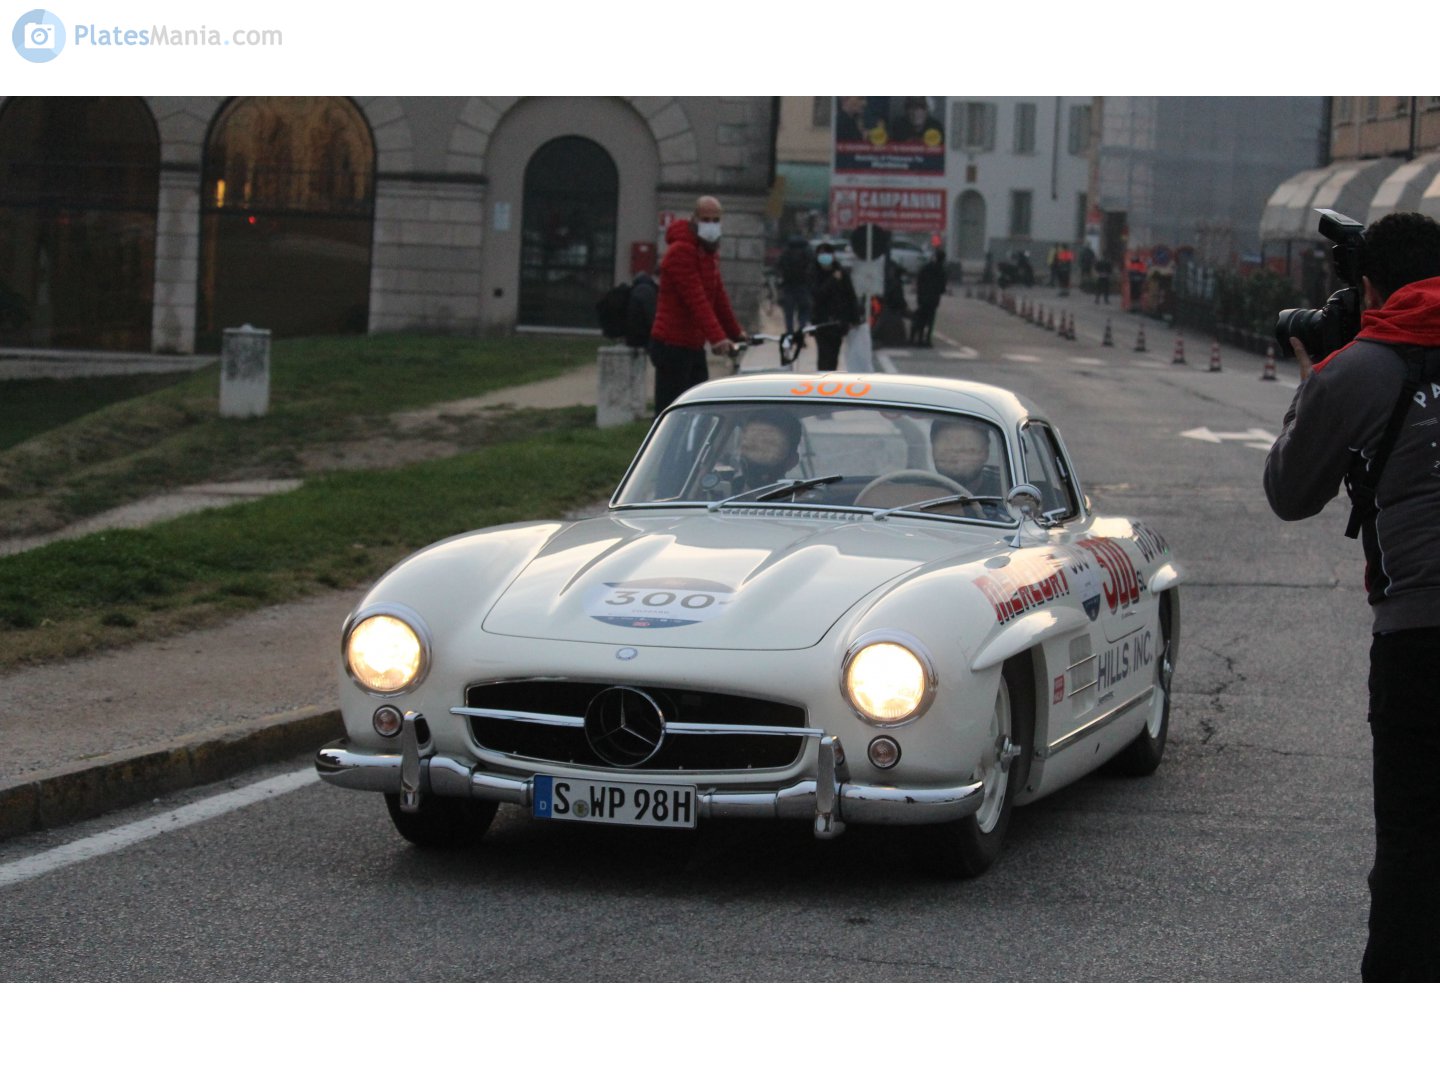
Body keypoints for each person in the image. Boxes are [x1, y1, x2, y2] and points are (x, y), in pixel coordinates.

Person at [1262, 210, 1440, 982]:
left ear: (1369, 288)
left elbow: (1291, 492)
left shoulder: (1357, 369)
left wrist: (1319, 377)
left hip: (1420, 643)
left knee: (1411, 849)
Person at [648, 195, 745, 416]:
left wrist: (736, 332)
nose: (711, 225)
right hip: (671, 344)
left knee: (697, 407)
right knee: (671, 413)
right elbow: (697, 300)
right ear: (694, 219)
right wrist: (718, 338)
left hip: (692, 344)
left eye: (715, 220)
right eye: (706, 219)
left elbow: (718, 297)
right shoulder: (681, 251)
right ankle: (665, 451)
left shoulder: (708, 253)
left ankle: (690, 450)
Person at [809, 242, 860, 372]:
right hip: (821, 321)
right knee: (823, 355)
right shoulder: (814, 273)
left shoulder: (842, 273)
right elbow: (817, 294)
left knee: (833, 355)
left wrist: (854, 319)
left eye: (827, 253)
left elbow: (850, 296)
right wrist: (832, 280)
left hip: (838, 322)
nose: (824, 257)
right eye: (821, 254)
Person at [731, 409, 803, 491]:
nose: (759, 454)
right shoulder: (723, 493)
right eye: (752, 444)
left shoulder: (799, 501)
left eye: (769, 446)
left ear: (792, 461)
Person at [931, 418, 1002, 496]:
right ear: (933, 451)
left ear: (985, 453)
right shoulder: (918, 490)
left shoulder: (1006, 489)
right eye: (947, 443)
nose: (955, 454)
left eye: (966, 446)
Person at [775, 236, 814, 334]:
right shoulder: (808, 253)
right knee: (804, 310)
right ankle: (801, 329)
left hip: (788, 287)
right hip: (803, 286)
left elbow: (778, 268)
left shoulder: (786, 254)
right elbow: (813, 270)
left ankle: (790, 332)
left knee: (789, 313)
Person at [911, 248, 947, 347]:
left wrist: (920, 293)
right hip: (933, 299)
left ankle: (918, 338)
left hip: (922, 297)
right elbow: (942, 288)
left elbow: (919, 281)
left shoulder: (926, 268)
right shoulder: (942, 271)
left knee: (921, 317)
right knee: (930, 320)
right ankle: (927, 339)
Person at [624, 269, 657, 349]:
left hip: (632, 336)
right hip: (644, 336)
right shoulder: (648, 291)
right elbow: (650, 314)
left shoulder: (634, 291)